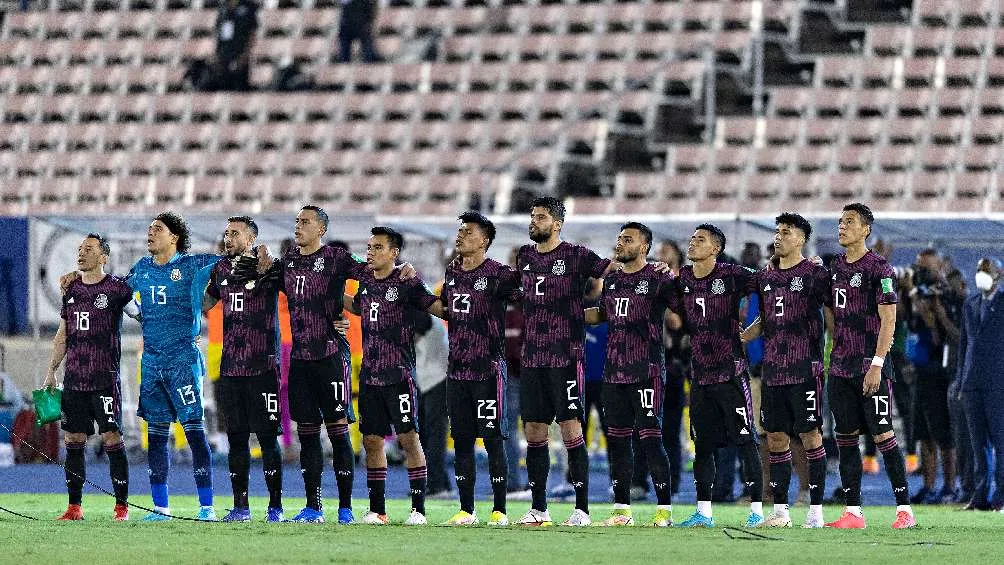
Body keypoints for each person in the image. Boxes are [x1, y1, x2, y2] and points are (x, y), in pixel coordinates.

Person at [513, 197, 617, 527]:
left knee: (572, 430)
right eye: (532, 216)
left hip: (565, 358)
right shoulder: (524, 256)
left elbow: (612, 271)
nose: (534, 222)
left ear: (556, 224)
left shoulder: (575, 255)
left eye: (540, 217)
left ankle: (582, 508)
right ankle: (539, 508)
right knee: (534, 433)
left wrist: (602, 307)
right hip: (533, 359)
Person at [265, 206, 365, 524]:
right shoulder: (289, 262)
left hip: (332, 356)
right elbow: (262, 280)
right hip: (301, 359)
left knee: (338, 432)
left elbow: (372, 274)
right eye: (296, 221)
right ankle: (313, 506)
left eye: (305, 222)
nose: (298, 226)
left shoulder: (336, 258)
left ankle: (346, 507)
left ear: (321, 229)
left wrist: (352, 306)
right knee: (307, 433)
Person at [826, 202, 916, 529]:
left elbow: (888, 321)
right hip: (840, 369)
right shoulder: (834, 267)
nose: (842, 227)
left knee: (883, 435)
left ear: (866, 229)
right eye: (840, 222)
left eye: (849, 222)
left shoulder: (880, 269)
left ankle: (904, 509)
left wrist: (877, 364)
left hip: (871, 366)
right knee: (846, 438)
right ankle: (853, 513)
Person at [342, 227, 440, 525]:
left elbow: (436, 308)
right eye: (369, 246)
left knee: (409, 440)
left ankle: (418, 510)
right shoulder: (366, 279)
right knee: (371, 442)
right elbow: (359, 307)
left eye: (378, 247)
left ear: (394, 253)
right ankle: (377, 510)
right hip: (370, 376)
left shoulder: (407, 281)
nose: (370, 252)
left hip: (400, 376)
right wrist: (333, 295)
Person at [740, 213, 831, 528]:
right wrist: (742, 336)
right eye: (777, 232)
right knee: (775, 436)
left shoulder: (815, 274)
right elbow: (765, 318)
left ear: (802, 239)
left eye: (786, 232)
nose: (779, 237)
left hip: (804, 367)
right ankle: (780, 513)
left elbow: (834, 309)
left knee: (809, 434)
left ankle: (815, 511)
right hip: (773, 369)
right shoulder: (766, 275)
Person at [671, 224, 764, 528]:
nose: (693, 242)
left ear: (715, 249)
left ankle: (758, 511)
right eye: (692, 237)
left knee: (745, 440)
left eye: (700, 239)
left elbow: (770, 283)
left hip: (731, 373)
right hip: (700, 375)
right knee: (703, 446)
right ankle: (703, 512)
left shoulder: (732, 274)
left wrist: (751, 331)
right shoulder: (683, 277)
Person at [585, 222, 677, 527]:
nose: (620, 243)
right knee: (619, 442)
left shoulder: (658, 277)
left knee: (651, 439)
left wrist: (676, 278)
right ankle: (621, 510)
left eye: (628, 239)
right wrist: (569, 315)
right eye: (619, 238)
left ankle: (664, 511)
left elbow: (681, 312)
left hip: (646, 370)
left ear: (644, 247)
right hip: (614, 373)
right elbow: (602, 313)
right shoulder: (611, 280)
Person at [44, 234, 138, 521]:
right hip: (74, 379)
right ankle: (74, 507)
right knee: (73, 437)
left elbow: (141, 314)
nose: (82, 253)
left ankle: (121, 507)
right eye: (80, 249)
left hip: (104, 379)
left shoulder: (117, 289)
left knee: (111, 437)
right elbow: (63, 334)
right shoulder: (70, 289)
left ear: (104, 257)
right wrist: (51, 370)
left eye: (89, 249)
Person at [438, 212, 522, 526]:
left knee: (493, 439)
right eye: (459, 230)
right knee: (460, 441)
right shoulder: (452, 272)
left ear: (484, 241)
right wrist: (411, 294)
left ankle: (499, 510)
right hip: (457, 371)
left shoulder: (499, 274)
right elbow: (446, 308)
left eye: (467, 232)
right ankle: (466, 510)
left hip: (488, 371)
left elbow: (527, 297)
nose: (460, 236)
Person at [201, 217, 285, 523]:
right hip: (231, 368)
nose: (227, 237)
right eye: (225, 232)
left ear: (250, 238)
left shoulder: (268, 268)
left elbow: (301, 293)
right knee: (236, 438)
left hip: (263, 366)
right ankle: (241, 507)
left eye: (234, 233)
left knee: (266, 439)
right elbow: (207, 300)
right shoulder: (221, 269)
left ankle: (275, 507)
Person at [907, 249, 958, 504]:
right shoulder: (917, 292)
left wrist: (931, 310)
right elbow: (909, 326)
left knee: (944, 435)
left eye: (925, 267)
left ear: (939, 266)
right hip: (921, 371)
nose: (920, 272)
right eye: (918, 267)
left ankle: (949, 486)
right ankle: (928, 486)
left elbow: (944, 335)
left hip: (940, 372)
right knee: (924, 435)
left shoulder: (948, 295)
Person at [956, 258, 1004, 511]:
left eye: (986, 270)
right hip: (972, 383)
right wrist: (961, 382)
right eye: (978, 270)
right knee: (978, 445)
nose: (981, 275)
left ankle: (1001, 496)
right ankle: (980, 495)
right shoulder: (970, 304)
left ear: (999, 274)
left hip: (998, 384)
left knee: (1000, 442)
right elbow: (964, 347)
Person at [210, 0, 257, 91]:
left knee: (239, 87)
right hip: (224, 54)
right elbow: (218, 32)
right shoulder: (223, 7)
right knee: (222, 86)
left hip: (239, 53)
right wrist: (216, 53)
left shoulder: (248, 6)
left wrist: (245, 55)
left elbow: (252, 33)